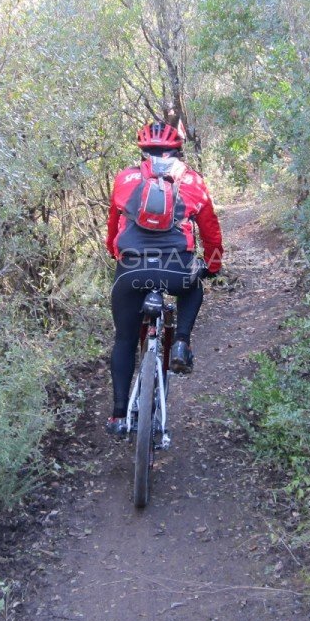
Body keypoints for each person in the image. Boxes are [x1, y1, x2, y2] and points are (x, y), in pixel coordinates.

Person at [104, 118, 223, 437]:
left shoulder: (124, 179)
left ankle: (118, 417)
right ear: (178, 150)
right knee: (193, 286)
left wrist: (119, 256)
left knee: (125, 340)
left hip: (131, 271)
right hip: (176, 269)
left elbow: (113, 230)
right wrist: (213, 265)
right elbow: (210, 231)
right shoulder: (193, 181)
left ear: (143, 151)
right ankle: (181, 342)